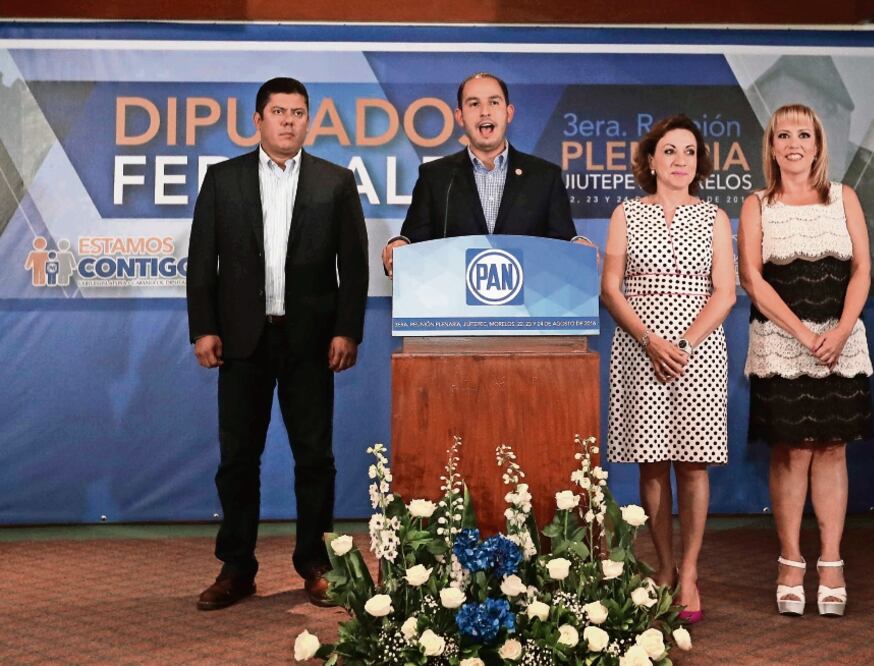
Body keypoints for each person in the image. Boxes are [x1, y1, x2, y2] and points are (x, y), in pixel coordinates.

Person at [186, 77, 369, 610]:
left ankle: (316, 563)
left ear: (308, 120)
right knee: (238, 458)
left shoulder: (335, 182)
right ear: (258, 121)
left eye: (298, 112)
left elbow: (354, 267)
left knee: (315, 458)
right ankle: (237, 568)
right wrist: (203, 328)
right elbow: (202, 264)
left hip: (311, 342)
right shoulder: (223, 180)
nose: (289, 121)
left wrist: (346, 330)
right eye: (279, 112)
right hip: (242, 340)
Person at [738, 103, 874, 617]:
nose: (793, 143)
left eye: (803, 134)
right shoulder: (758, 203)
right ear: (771, 147)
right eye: (782, 135)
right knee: (793, 450)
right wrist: (801, 334)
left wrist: (839, 331)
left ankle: (832, 563)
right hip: (780, 343)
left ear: (818, 145)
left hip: (843, 342)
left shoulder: (845, 198)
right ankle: (791, 561)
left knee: (834, 448)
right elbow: (752, 278)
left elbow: (862, 270)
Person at [603, 115, 736, 624]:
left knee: (693, 464)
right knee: (652, 463)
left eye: (689, 152)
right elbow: (611, 287)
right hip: (640, 348)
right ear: (651, 160)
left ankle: (691, 572)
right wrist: (649, 339)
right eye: (670, 151)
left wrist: (682, 342)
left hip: (697, 352)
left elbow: (724, 292)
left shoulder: (715, 218)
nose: (681, 160)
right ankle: (662, 567)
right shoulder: (626, 213)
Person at [381, 72, 586, 276]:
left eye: (494, 102)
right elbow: (412, 245)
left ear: (509, 112)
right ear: (460, 116)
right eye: (474, 104)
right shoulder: (435, 177)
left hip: (529, 303)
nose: (485, 112)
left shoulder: (545, 176)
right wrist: (397, 246)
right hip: (453, 302)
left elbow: (564, 248)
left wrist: (578, 246)